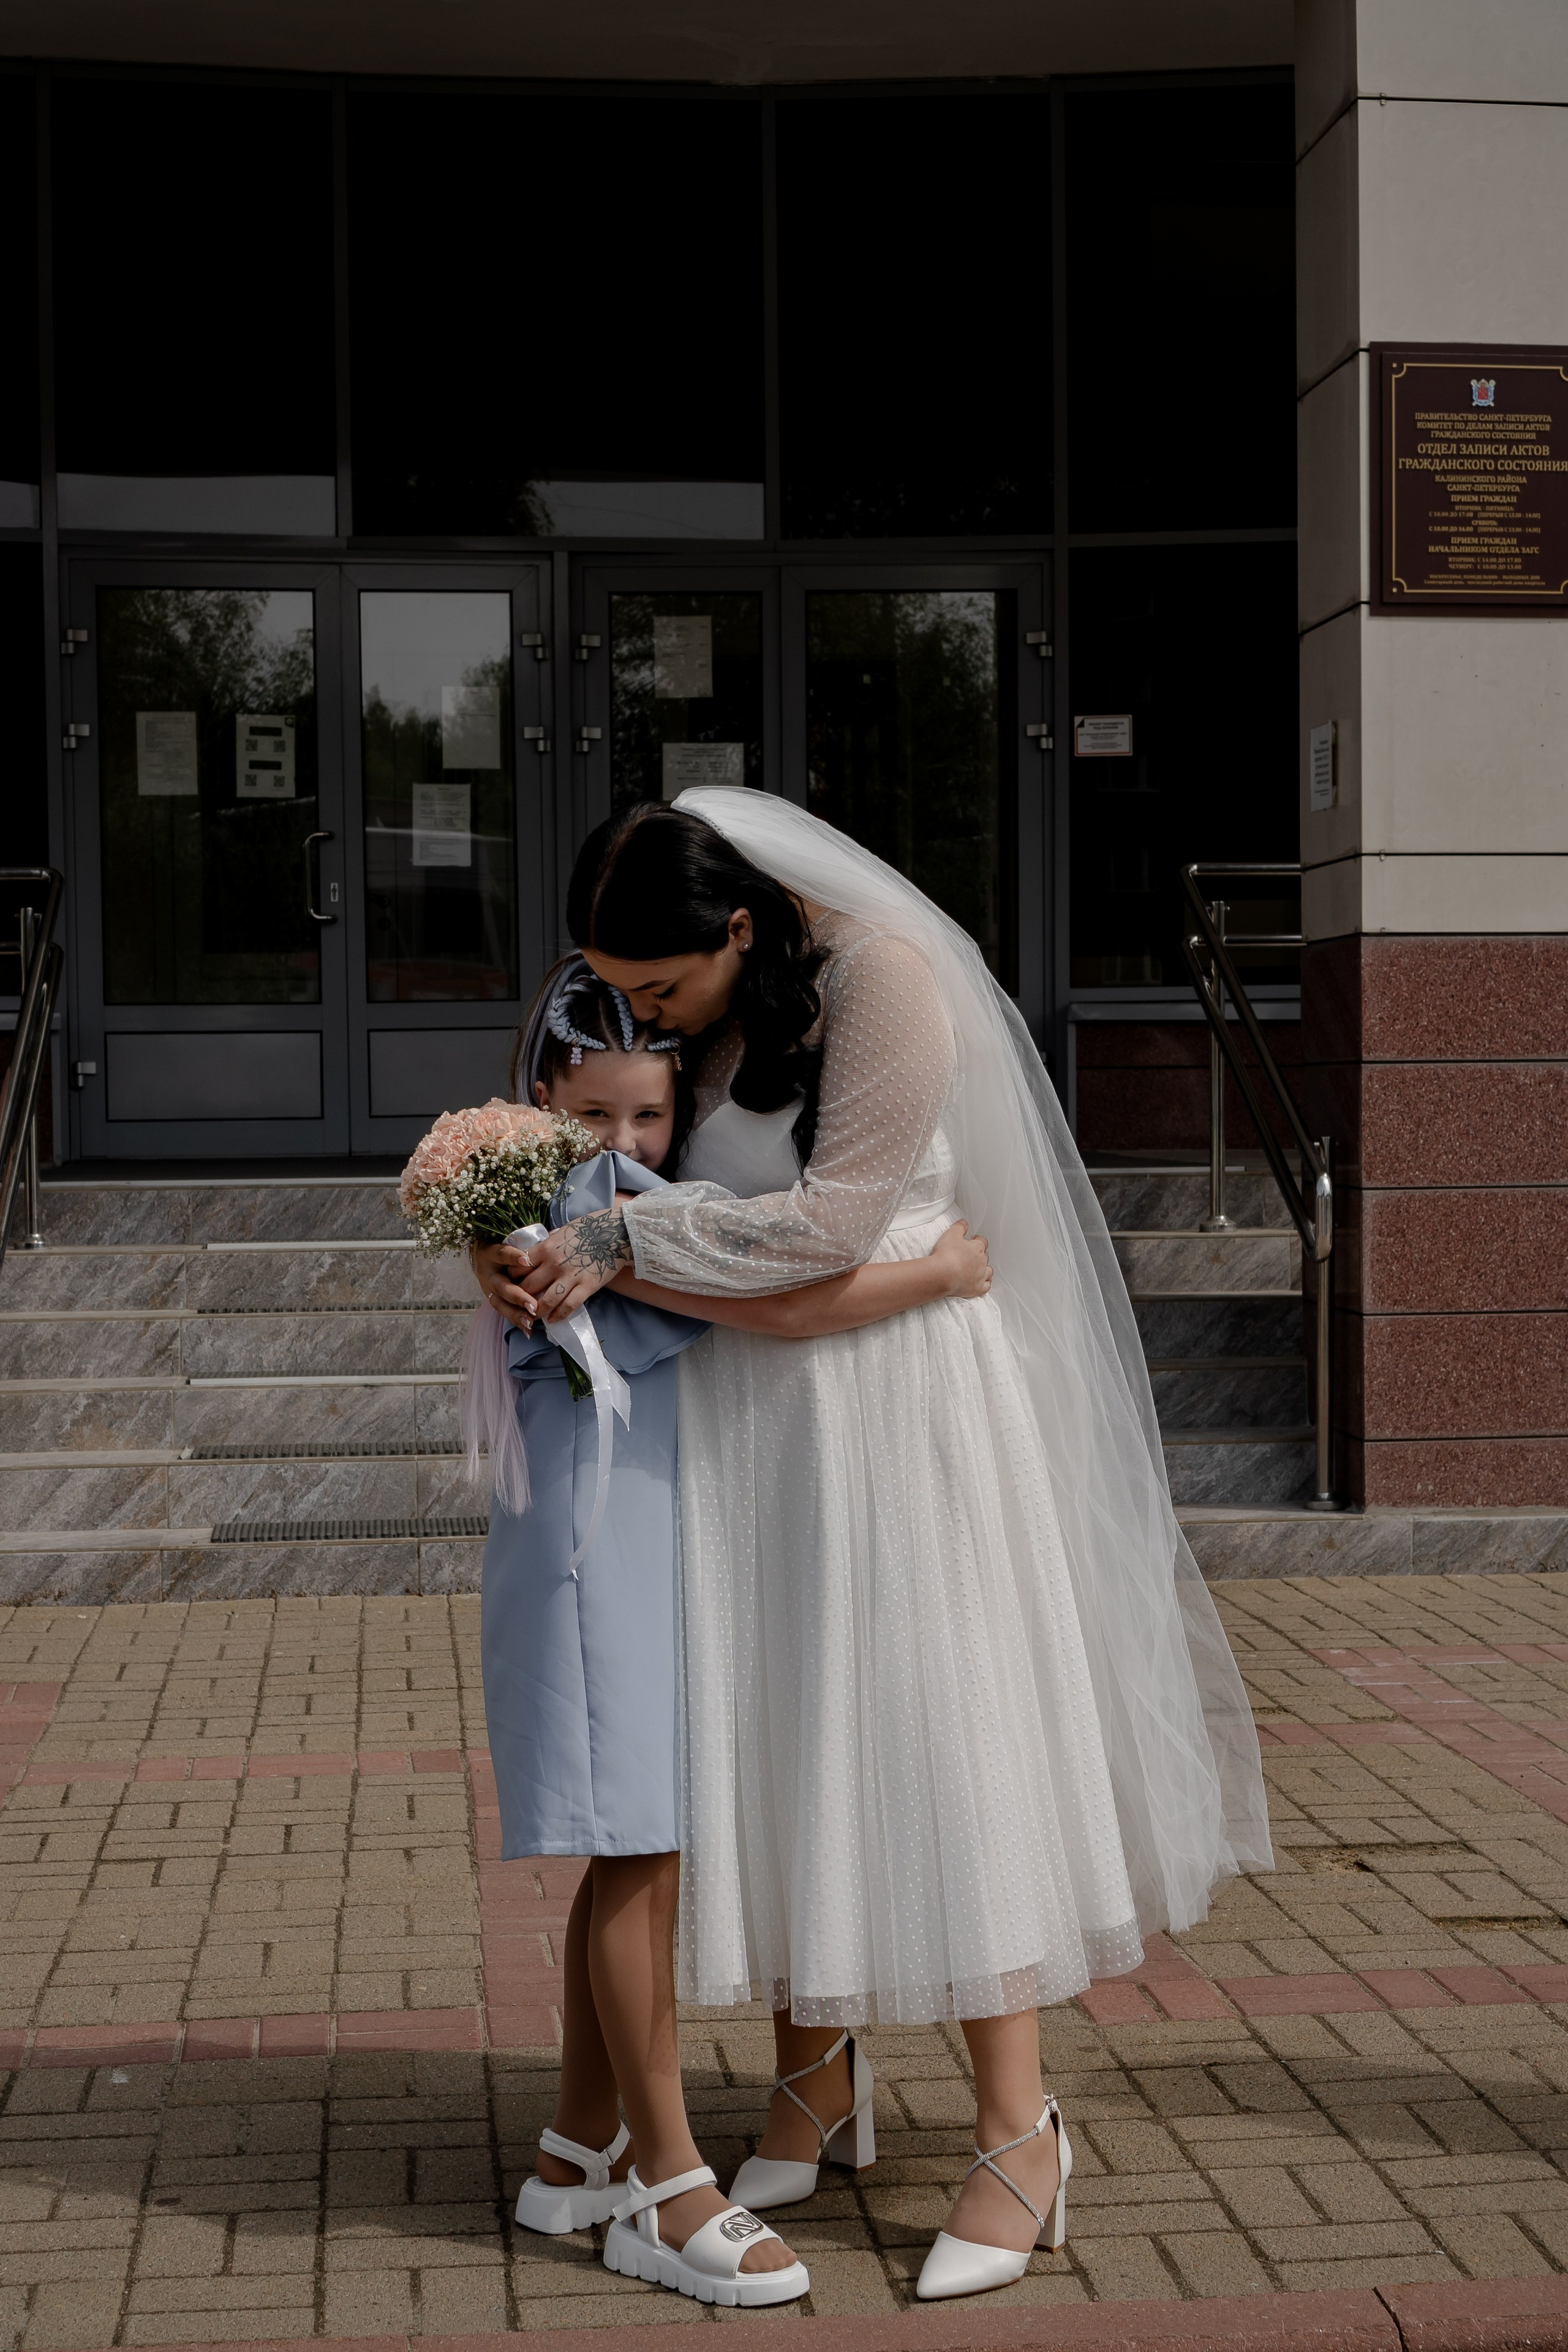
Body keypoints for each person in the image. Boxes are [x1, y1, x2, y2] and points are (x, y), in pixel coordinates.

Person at [487, 793, 1273, 2302]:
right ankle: (810, 2085)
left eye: (657, 988)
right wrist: (593, 1236)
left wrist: (625, 1247)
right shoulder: (711, 1014)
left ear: (734, 928)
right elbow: (721, 1230)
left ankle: (1016, 2134)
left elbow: (829, 1227)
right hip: (756, 1434)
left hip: (897, 1425)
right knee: (785, 1750)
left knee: (933, 1736)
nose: (638, 1017)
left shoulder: (888, 980)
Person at [480, 954, 995, 2307]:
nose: (628, 1148)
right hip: (599, 1553)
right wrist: (940, 1271)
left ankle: (577, 2152)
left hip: (625, 1547)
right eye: (595, 1118)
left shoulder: (585, 1198)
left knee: (628, 1860)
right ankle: (664, 2189)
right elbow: (795, 1303)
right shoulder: (588, 1211)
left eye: (650, 1121)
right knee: (636, 1856)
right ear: (541, 1100)